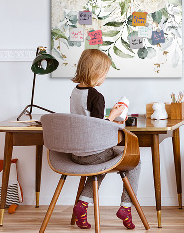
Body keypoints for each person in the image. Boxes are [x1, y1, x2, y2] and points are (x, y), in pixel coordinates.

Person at [70, 49, 140, 230]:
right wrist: (115, 115)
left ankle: (82, 205)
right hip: (93, 153)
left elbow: (87, 121)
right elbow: (98, 127)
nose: (105, 77)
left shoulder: (75, 92)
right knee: (135, 161)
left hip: (76, 153)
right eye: (105, 73)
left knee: (100, 165)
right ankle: (126, 207)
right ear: (96, 72)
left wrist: (110, 116)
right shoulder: (96, 96)